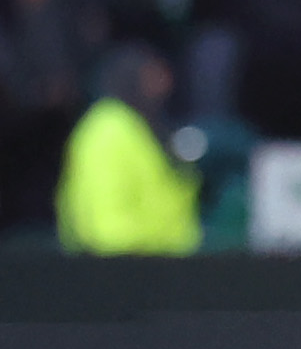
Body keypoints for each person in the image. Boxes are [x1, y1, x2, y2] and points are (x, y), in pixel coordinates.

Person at [57, 46, 199, 256]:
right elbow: (107, 231)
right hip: (121, 274)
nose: (164, 86)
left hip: (162, 267)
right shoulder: (107, 129)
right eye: (152, 77)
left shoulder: (146, 129)